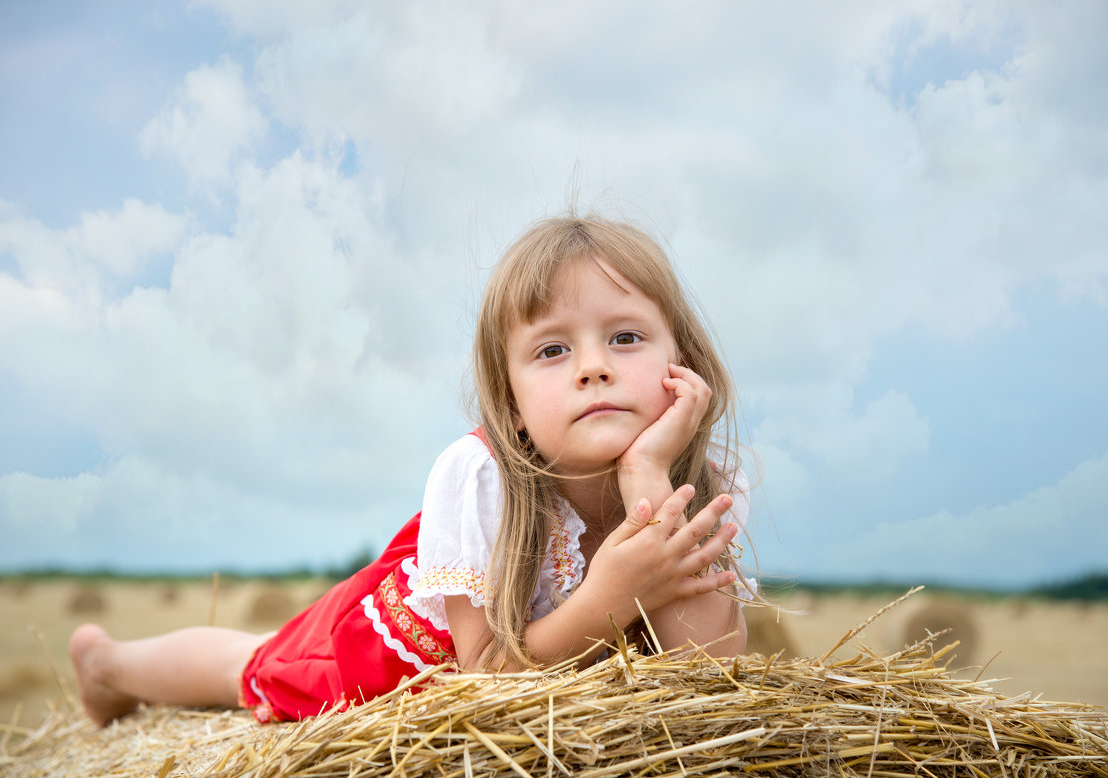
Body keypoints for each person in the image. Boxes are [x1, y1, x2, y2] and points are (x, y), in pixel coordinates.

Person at [69, 213, 756, 727]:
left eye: (625, 337)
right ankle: (107, 666)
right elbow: (487, 674)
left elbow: (712, 681)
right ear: (510, 405)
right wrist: (610, 593)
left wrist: (646, 476)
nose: (593, 365)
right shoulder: (476, 477)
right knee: (254, 665)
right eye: (551, 350)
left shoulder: (698, 481)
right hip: (397, 657)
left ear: (682, 363)